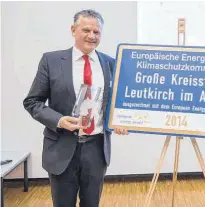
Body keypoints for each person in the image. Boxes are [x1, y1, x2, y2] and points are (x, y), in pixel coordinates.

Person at [23, 9, 128, 207]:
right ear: (73, 30)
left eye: (96, 32)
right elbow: (32, 102)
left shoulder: (111, 64)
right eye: (86, 30)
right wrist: (59, 120)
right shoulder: (51, 61)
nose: (91, 36)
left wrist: (120, 121)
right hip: (61, 148)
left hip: (97, 149)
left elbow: (117, 103)